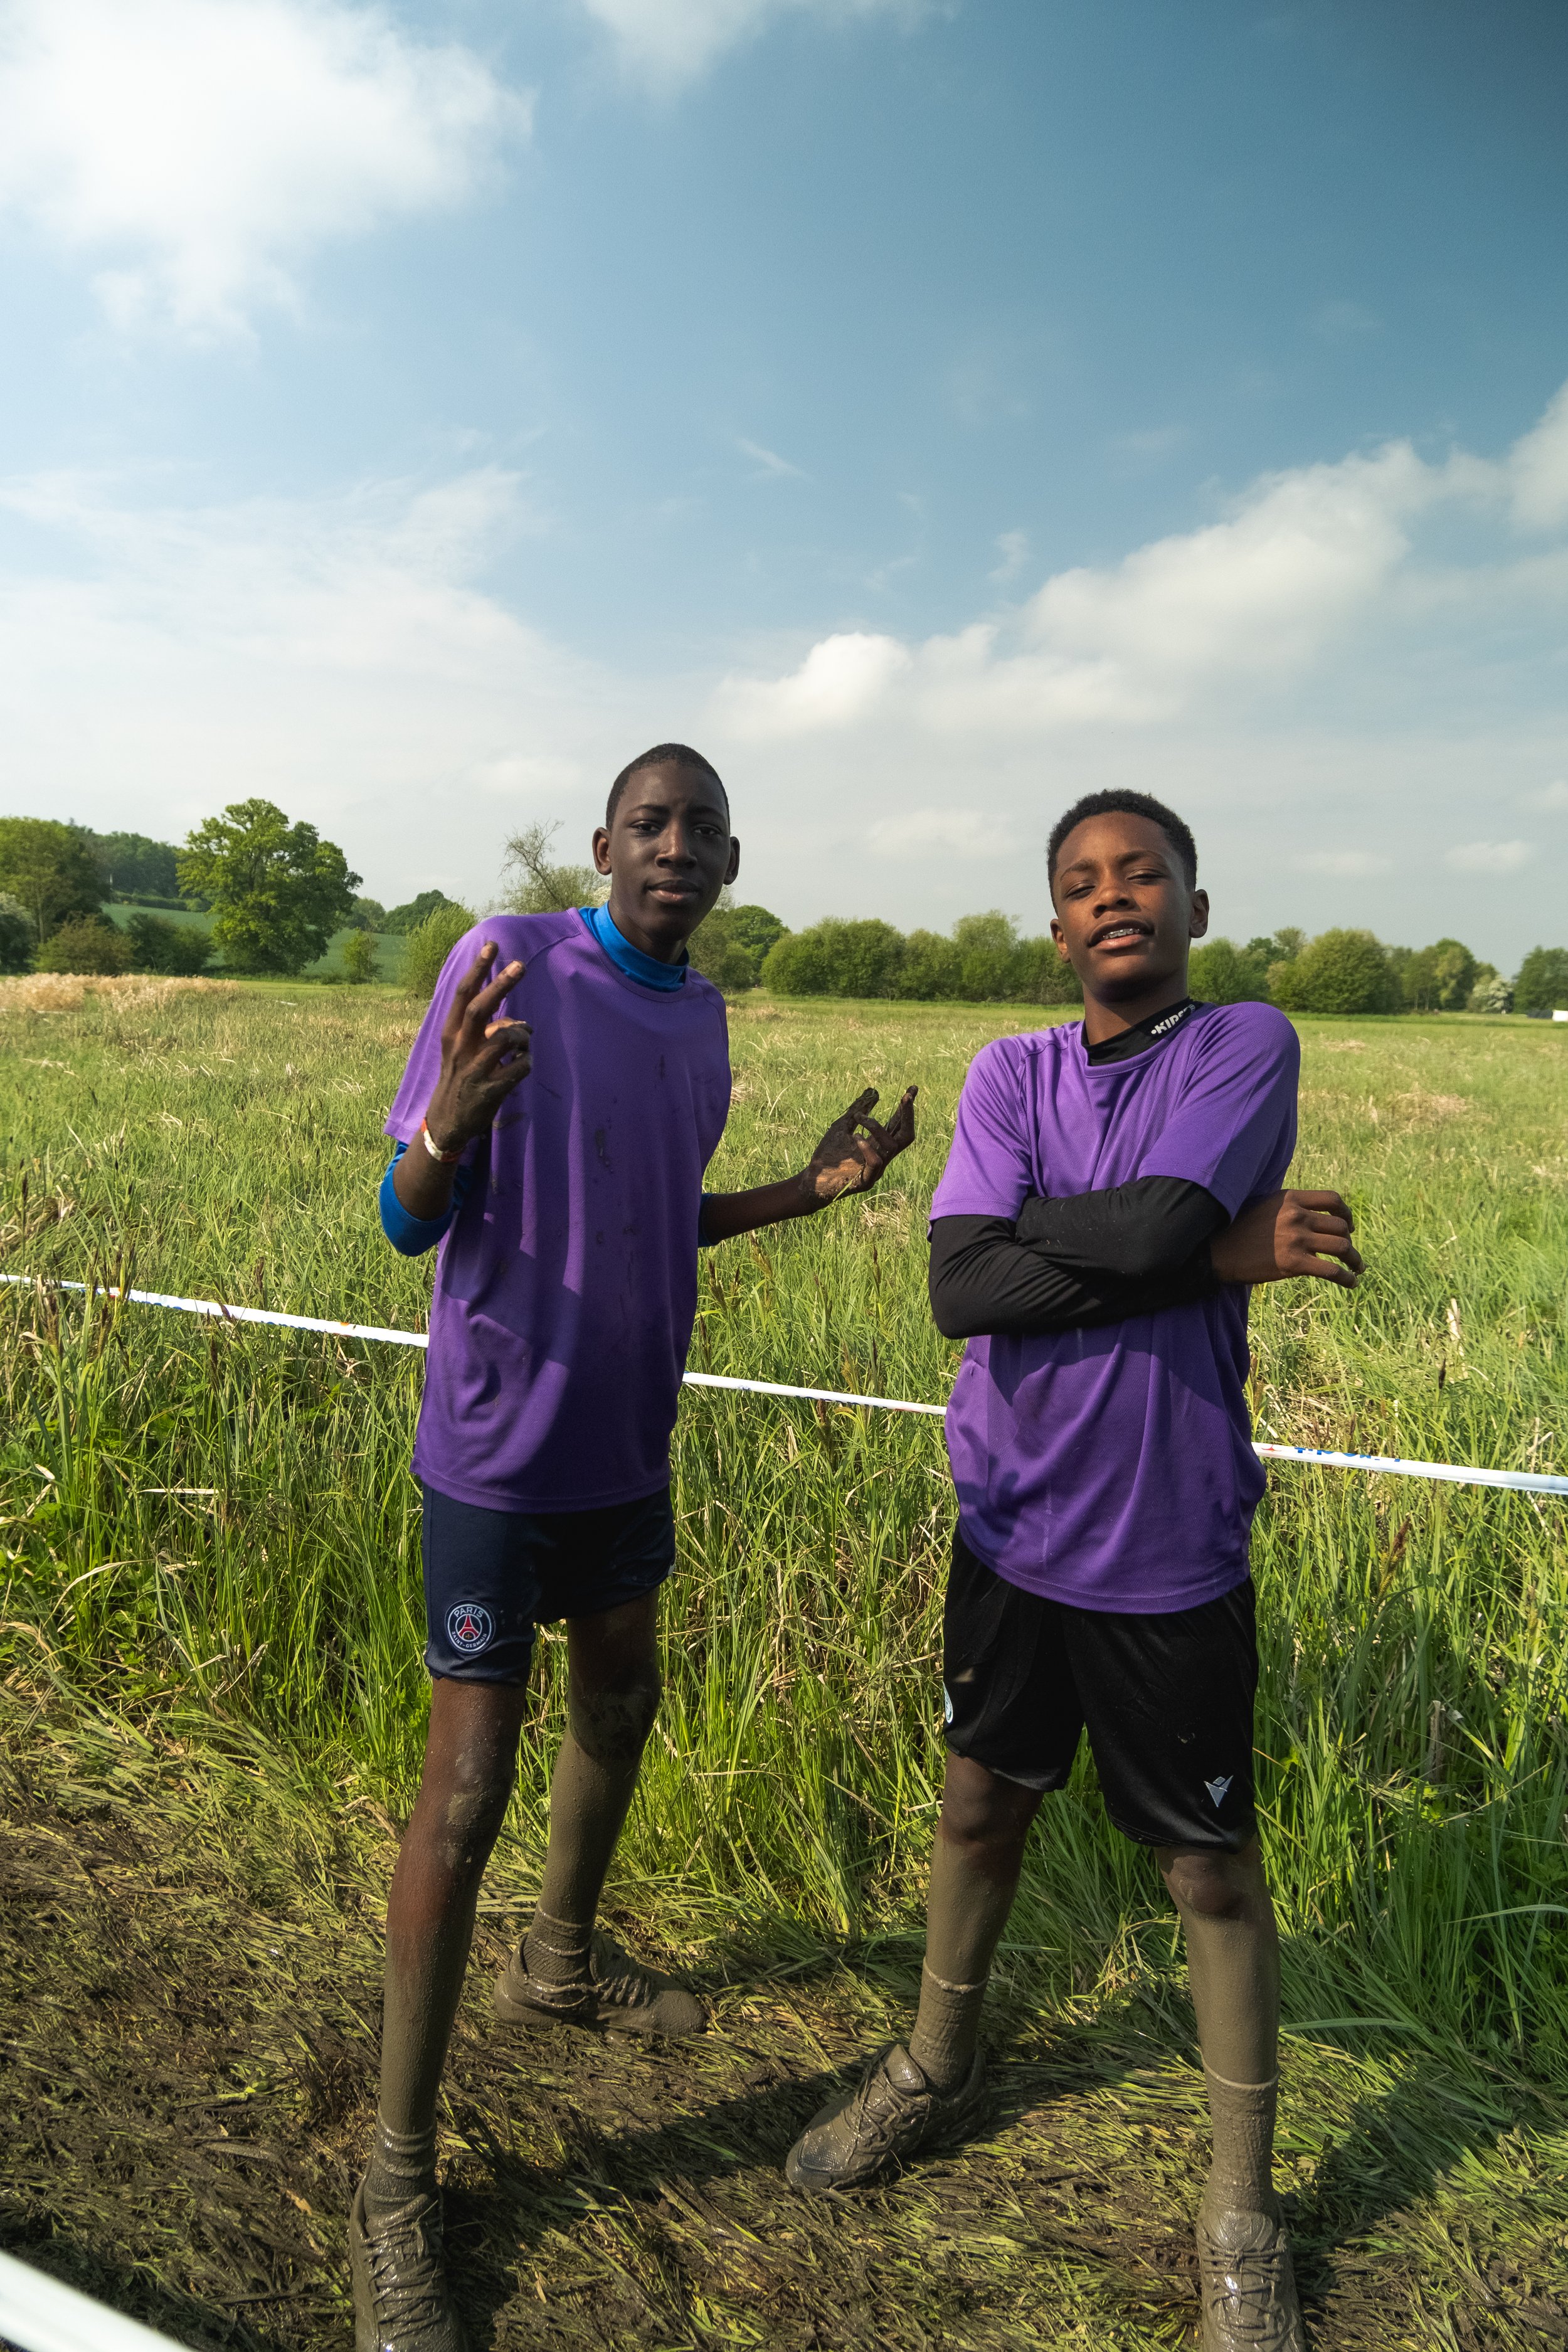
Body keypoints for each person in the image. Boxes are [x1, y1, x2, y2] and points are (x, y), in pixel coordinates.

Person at [351, 743, 916, 2352]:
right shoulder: (508, 960)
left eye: (703, 833)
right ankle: (395, 2178)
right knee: (462, 1791)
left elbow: (655, 1211)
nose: (674, 848)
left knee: (623, 1702)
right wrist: (447, 1125)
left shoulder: (705, 1017)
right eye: (649, 824)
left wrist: (808, 1192)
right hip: (492, 1454)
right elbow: (402, 1222)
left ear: (731, 867)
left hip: (624, 1449)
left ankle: (562, 1960)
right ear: (602, 843)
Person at [784, 789, 1362, 2352]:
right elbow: (956, 1290)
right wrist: (1222, 1253)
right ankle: (930, 2064)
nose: (1113, 899)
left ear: (1189, 903)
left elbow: (1148, 1211)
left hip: (1166, 1537)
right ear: (1053, 925)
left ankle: (1240, 2211)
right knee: (978, 1800)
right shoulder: (1008, 1070)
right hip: (1010, 1520)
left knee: (1206, 1870)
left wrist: (1166, 1231)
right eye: (1081, 884)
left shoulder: (1240, 1043)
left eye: (1141, 876)